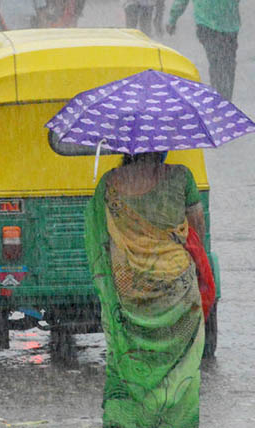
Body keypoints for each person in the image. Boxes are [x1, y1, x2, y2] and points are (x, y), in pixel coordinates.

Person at [84, 151, 205, 428]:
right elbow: (198, 228)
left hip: (130, 290)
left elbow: (100, 239)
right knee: (180, 364)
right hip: (179, 290)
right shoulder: (182, 177)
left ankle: (130, 420)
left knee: (132, 358)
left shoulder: (109, 183)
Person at [167, 0, 251, 101]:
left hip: (230, 23)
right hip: (206, 24)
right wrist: (172, 18)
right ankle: (219, 99)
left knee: (229, 64)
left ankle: (227, 99)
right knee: (215, 61)